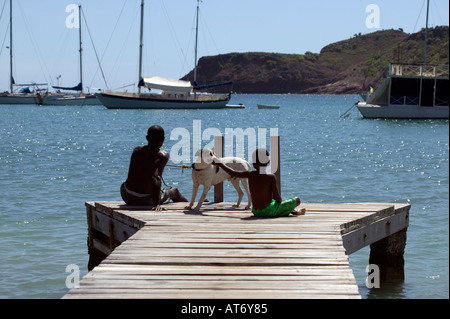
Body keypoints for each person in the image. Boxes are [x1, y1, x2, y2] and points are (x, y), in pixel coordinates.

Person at [211, 148, 305, 217]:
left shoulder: (250, 174)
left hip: (255, 211)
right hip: (269, 211)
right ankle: (292, 210)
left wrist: (219, 163)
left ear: (253, 163)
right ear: (268, 162)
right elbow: (277, 198)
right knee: (297, 200)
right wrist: (280, 202)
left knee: (272, 202)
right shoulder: (270, 177)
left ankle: (292, 210)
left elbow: (232, 172)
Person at [120, 125, 188, 210]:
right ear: (163, 139)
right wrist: (156, 204)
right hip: (145, 199)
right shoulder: (162, 155)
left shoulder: (136, 150)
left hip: (127, 195)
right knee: (175, 192)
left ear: (147, 138)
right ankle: (190, 205)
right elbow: (156, 178)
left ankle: (191, 204)